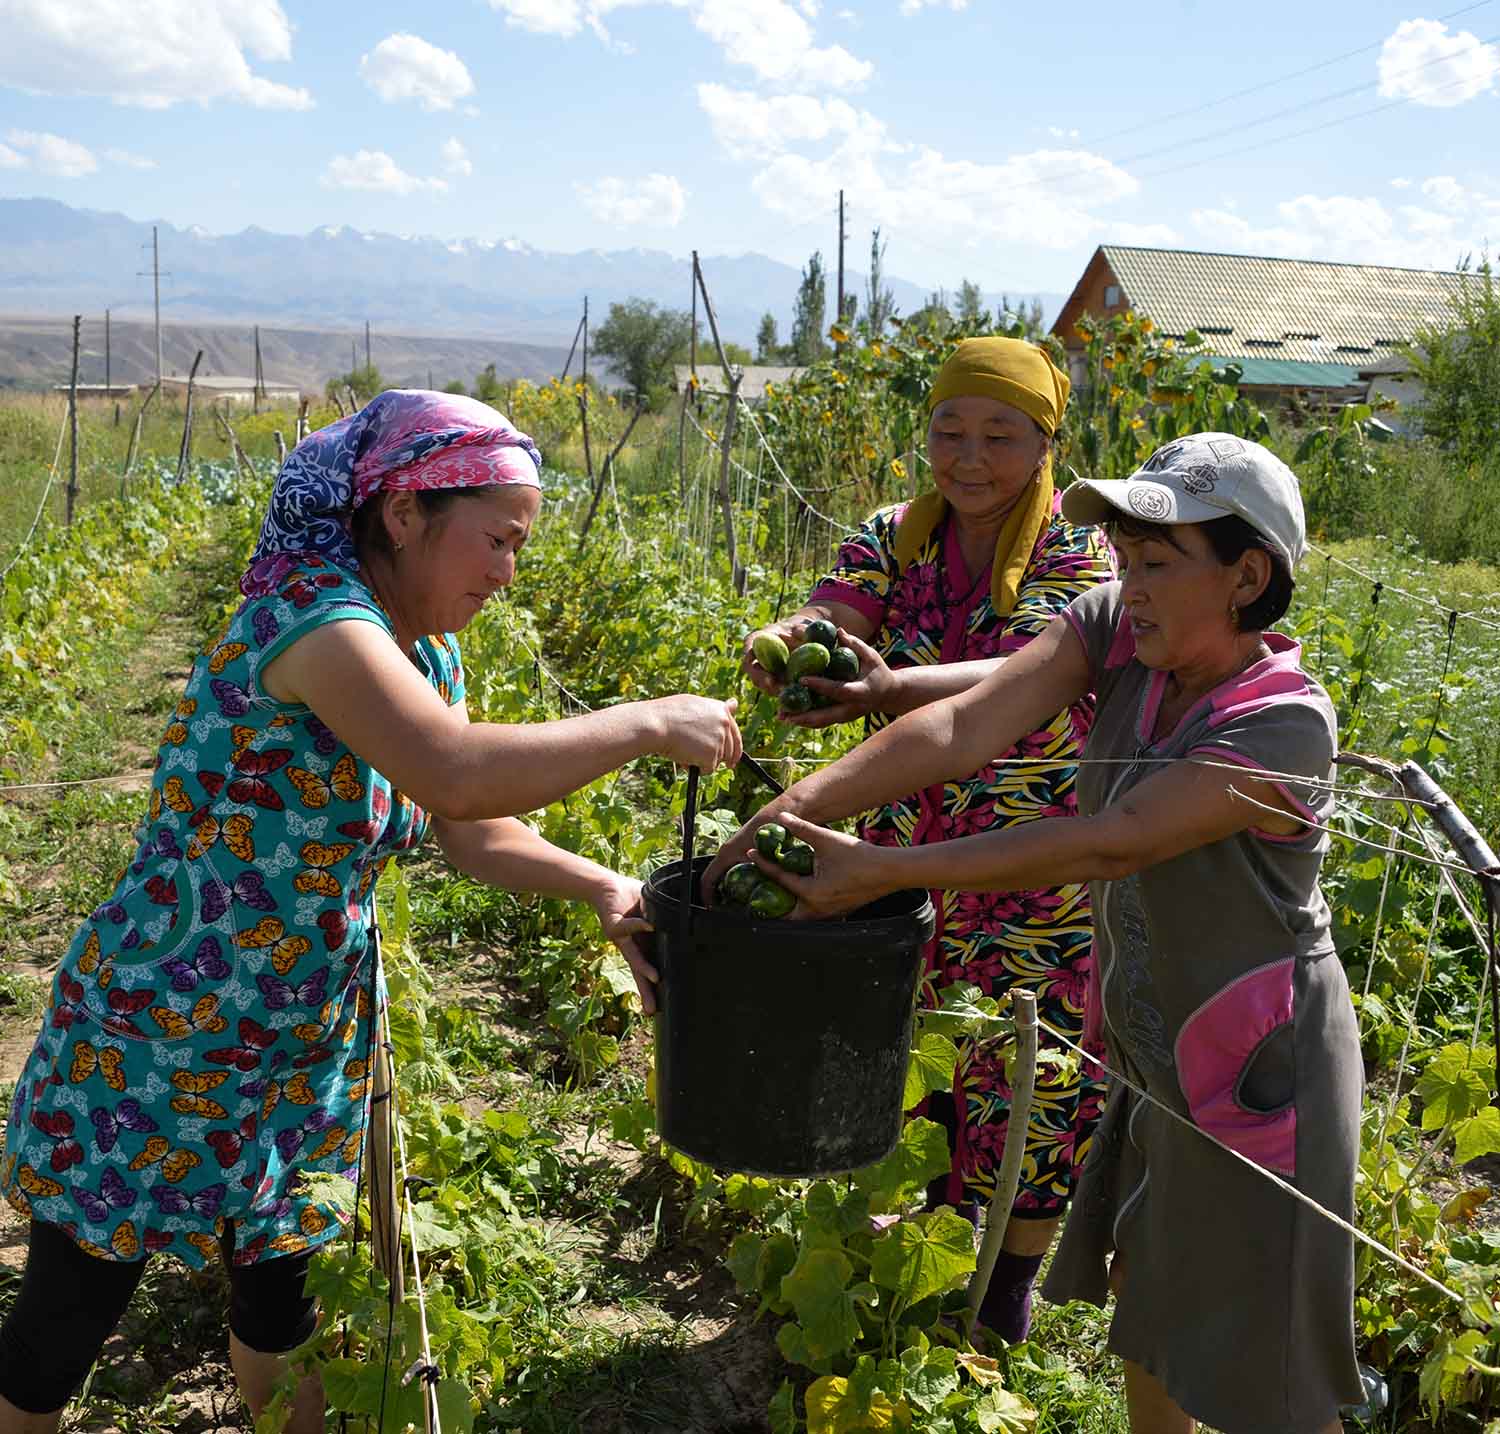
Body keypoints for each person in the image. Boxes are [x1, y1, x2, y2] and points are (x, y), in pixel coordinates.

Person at [0, 390, 742, 1434]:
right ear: (404, 515)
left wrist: (604, 887)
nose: (507, 572)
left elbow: (468, 828)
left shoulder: (421, 647)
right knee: (66, 1321)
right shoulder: (316, 621)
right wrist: (645, 721)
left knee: (282, 1293)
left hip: (302, 1029)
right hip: (169, 1024)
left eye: (519, 547)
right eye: (496, 540)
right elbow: (455, 769)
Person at [712, 433, 1362, 1433]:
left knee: (1264, 1357)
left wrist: (884, 872)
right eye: (1124, 558)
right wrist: (797, 808)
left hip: (1262, 1065)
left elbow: (1113, 843)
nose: (1128, 584)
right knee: (1153, 1292)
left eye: (1157, 562)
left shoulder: (1281, 723)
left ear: (1246, 575)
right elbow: (965, 726)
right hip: (1156, 1043)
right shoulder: (1120, 634)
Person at [739, 337, 1114, 1339]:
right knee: (906, 1058)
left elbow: (1029, 671)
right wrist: (790, 641)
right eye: (951, 429)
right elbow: (838, 605)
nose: (970, 455)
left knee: (1028, 1081)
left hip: (1030, 865)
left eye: (1000, 434)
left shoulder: (1082, 557)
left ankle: (1000, 1293)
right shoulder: (893, 536)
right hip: (898, 856)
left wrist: (886, 687)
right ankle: (906, 1264)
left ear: (1045, 443)